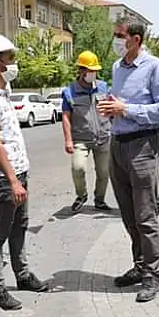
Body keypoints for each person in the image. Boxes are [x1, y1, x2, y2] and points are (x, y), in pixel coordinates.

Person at [97, 16, 159, 303]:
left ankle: (152, 274)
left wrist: (126, 109)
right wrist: (110, 107)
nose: (116, 40)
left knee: (145, 216)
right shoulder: (117, 67)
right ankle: (140, 266)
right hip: (118, 144)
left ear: (136, 39)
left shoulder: (155, 67)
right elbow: (119, 104)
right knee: (128, 214)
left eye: (120, 35)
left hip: (143, 146)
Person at [0, 33, 48, 311]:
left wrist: (20, 176)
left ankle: (23, 275)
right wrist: (13, 181)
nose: (13, 63)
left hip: (18, 173)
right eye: (9, 58)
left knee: (20, 226)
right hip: (5, 179)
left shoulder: (2, 93)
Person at [61, 50, 112, 213]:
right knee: (78, 168)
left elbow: (111, 110)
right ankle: (81, 195)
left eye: (94, 70)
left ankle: (100, 200)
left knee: (104, 173)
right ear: (81, 70)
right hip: (80, 139)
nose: (93, 74)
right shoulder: (70, 92)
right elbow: (66, 117)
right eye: (90, 70)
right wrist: (68, 140)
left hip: (103, 137)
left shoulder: (103, 87)